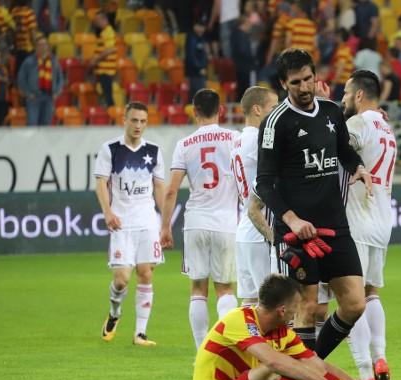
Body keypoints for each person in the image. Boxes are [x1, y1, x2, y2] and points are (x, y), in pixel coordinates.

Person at [255, 48, 373, 359]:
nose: (305, 88)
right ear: (284, 84)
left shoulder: (331, 112)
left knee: (355, 304)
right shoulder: (275, 123)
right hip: (297, 232)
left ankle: (311, 365)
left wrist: (358, 167)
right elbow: (263, 182)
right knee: (306, 308)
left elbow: (344, 152)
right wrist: (292, 220)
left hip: (334, 224)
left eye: (309, 79)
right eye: (296, 83)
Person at [190, 274, 401, 380]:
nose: (295, 313)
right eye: (294, 308)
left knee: (301, 366)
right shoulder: (238, 319)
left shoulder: (281, 332)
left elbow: (320, 366)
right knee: (279, 368)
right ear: (282, 310)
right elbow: (272, 362)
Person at [161, 88, 239, 350]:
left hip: (196, 221)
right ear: (220, 110)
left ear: (194, 112)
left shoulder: (184, 144)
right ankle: (228, 350)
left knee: (198, 289)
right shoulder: (235, 138)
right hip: (227, 223)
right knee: (226, 290)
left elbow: (171, 190)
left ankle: (200, 352)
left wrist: (165, 228)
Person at [340, 70, 397, 380]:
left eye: (347, 93)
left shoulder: (359, 123)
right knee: (372, 293)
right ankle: (380, 356)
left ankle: (364, 373)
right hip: (381, 219)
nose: (344, 98)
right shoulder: (386, 127)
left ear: (360, 95)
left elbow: (336, 140)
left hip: (357, 219)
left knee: (350, 298)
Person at [95, 102, 167, 347]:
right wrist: (108, 212)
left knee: (146, 273)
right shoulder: (110, 150)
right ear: (124, 119)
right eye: (134, 120)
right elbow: (101, 183)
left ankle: (140, 333)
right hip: (121, 223)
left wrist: (165, 221)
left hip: (147, 221)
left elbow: (159, 188)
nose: (138, 126)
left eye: (143, 121)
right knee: (121, 280)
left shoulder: (154, 151)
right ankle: (115, 312)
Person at [232, 86, 280, 307]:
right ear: (258, 109)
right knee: (272, 301)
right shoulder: (258, 140)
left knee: (250, 300)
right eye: (274, 107)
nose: (278, 112)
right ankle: (267, 343)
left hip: (244, 230)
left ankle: (243, 341)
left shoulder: (238, 141)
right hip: (262, 227)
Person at [17, 35, 62, 127]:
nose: (43, 47)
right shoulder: (29, 61)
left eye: (45, 44)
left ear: (48, 46)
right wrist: (28, 93)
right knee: (32, 125)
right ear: (36, 47)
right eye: (40, 45)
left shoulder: (54, 61)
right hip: (34, 97)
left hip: (49, 97)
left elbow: (60, 78)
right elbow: (21, 79)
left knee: (46, 125)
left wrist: (56, 92)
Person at [89, 11, 117, 108]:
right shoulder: (104, 32)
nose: (96, 22)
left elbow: (109, 49)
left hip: (106, 70)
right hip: (103, 69)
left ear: (103, 19)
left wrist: (96, 60)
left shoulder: (108, 31)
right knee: (106, 95)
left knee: (108, 96)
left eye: (97, 20)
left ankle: (114, 119)